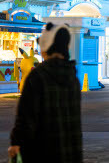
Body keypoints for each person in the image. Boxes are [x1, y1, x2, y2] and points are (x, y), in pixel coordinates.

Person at [8, 23, 82, 162]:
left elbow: (25, 118)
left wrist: (16, 142)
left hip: (42, 153)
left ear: (47, 46)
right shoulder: (73, 78)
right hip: (71, 153)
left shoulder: (38, 76)